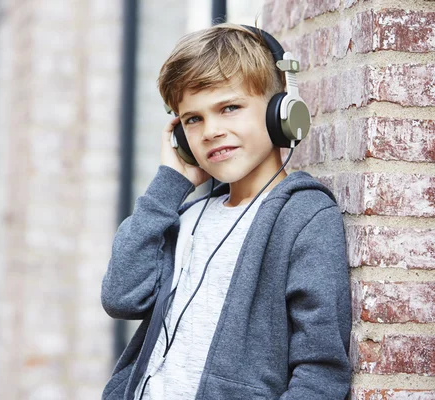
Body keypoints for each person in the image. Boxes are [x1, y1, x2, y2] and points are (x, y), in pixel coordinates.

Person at [101, 23, 351, 400]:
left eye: (229, 108)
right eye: (193, 119)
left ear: (281, 113)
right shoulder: (188, 215)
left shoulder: (304, 218)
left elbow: (320, 373)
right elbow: (121, 296)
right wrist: (169, 184)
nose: (210, 131)